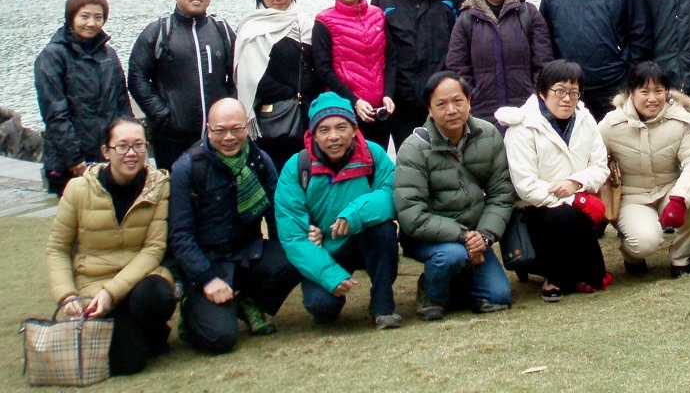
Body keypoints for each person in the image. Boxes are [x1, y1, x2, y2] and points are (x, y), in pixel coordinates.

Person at [45, 116, 176, 375]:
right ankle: (134, 333)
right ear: (106, 151)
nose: (131, 153)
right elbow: (57, 248)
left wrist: (111, 292)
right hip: (93, 283)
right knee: (129, 363)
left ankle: (151, 329)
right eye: (122, 146)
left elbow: (154, 248)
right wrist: (67, 295)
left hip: (141, 277)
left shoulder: (158, 186)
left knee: (157, 296)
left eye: (138, 145)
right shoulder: (78, 190)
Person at [168, 98, 299, 353]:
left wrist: (294, 243)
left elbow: (277, 214)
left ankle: (250, 302)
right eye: (220, 130)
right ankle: (192, 309)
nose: (229, 137)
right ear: (209, 130)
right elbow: (180, 235)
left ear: (247, 127)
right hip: (208, 261)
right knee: (220, 339)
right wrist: (206, 279)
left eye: (236, 129)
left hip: (247, 253)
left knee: (297, 256)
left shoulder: (259, 160)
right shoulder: (187, 168)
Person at [273, 93, 402, 329]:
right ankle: (330, 294)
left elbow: (392, 193)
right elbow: (292, 235)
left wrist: (356, 214)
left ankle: (383, 306)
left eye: (341, 127)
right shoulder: (297, 167)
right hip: (324, 248)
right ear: (313, 134)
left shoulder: (373, 154)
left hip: (363, 240)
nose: (334, 136)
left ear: (354, 129)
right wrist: (330, 276)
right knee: (322, 308)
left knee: (384, 231)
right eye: (324, 130)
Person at [395, 72, 515, 320]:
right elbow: (411, 216)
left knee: (498, 296)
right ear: (429, 109)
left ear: (469, 101)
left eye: (457, 101)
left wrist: (484, 236)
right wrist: (463, 236)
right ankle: (432, 294)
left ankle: (457, 281)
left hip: (474, 235)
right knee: (451, 256)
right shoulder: (413, 149)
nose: (451, 110)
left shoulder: (488, 134)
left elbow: (501, 194)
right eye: (441, 104)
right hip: (428, 237)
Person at [495, 59, 611, 301]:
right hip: (536, 208)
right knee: (565, 216)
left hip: (578, 201)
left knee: (595, 278)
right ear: (542, 91)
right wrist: (573, 199)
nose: (567, 99)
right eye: (560, 91)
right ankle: (553, 275)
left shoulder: (585, 120)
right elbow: (526, 186)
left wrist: (576, 183)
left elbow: (600, 166)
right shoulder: (522, 127)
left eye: (574, 92)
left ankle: (563, 270)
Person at [599, 61, 690, 277]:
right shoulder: (611, 125)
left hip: (669, 189)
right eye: (644, 91)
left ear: (667, 92)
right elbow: (593, 160)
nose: (652, 98)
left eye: (659, 91)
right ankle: (631, 256)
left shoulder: (681, 121)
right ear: (631, 93)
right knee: (645, 242)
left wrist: (679, 199)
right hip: (632, 197)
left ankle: (680, 258)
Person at [371, 0, 468, 153]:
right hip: (401, 99)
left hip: (444, 96)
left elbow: (466, 43)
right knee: (409, 158)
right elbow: (374, 47)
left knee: (450, 156)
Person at [128, 0, 235, 169]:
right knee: (176, 186)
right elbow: (136, 77)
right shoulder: (159, 32)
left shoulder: (221, 30)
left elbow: (237, 75)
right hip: (172, 139)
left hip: (218, 137)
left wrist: (229, 109)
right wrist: (162, 114)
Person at [35, 0, 132, 195]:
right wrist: (74, 157)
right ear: (71, 17)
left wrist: (129, 144)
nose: (91, 23)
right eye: (85, 16)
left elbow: (122, 104)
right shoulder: (53, 56)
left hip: (107, 154)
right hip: (68, 161)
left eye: (98, 17)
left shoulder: (109, 55)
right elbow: (54, 113)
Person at [446, 0, 553, 125]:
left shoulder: (528, 13)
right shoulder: (467, 19)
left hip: (526, 107)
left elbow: (544, 60)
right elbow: (457, 65)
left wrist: (535, 94)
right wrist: (472, 94)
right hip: (482, 109)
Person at [233, 0, 318, 171]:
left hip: (307, 115)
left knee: (308, 172)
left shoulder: (305, 24)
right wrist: (292, 92)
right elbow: (252, 79)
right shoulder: (252, 29)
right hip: (273, 119)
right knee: (277, 172)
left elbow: (316, 66)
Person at [313, 0, 394, 151]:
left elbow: (391, 59)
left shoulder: (378, 15)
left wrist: (388, 94)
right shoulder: (324, 21)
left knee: (378, 160)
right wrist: (354, 101)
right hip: (345, 109)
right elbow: (323, 70)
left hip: (379, 108)